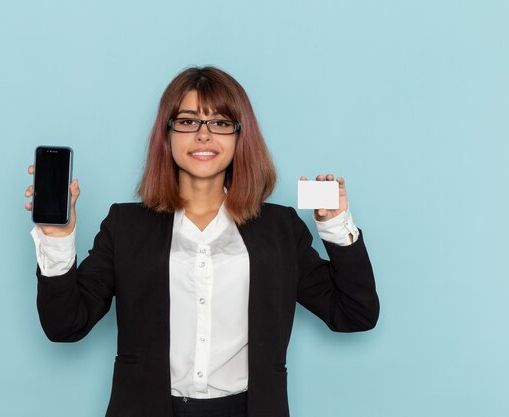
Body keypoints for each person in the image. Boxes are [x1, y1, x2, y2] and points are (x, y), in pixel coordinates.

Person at [23, 66, 379, 417]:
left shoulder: (279, 228)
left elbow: (355, 313)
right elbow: (65, 326)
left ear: (241, 136)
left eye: (221, 123)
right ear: (168, 134)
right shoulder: (125, 225)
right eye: (188, 121)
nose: (204, 135)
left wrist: (336, 226)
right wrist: (57, 239)